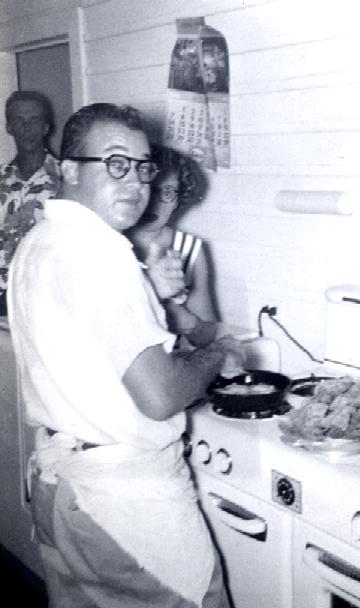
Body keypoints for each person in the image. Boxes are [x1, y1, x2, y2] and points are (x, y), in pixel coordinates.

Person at [7, 102, 244, 608]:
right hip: (125, 506)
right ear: (69, 170)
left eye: (142, 167)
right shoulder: (101, 253)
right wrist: (218, 353)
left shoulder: (40, 240)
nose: (135, 182)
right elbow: (160, 396)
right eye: (115, 163)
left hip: (62, 485)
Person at [128, 145, 218, 347]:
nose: (155, 202)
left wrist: (182, 318)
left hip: (172, 361)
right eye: (150, 187)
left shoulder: (189, 249)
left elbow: (207, 337)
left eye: (168, 192)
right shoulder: (110, 243)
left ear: (178, 200)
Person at [0, 90, 60, 315]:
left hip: (45, 298)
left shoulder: (66, 179)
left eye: (34, 120)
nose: (27, 128)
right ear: (9, 127)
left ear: (46, 127)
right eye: (19, 120)